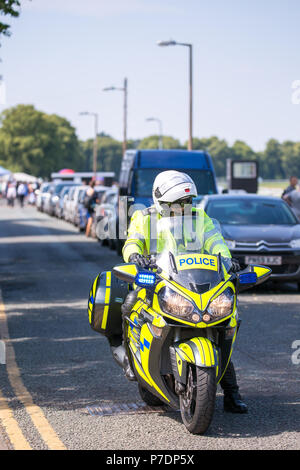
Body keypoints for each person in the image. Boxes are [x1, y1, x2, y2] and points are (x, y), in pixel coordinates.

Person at [113, 170, 247, 413]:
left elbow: (214, 240)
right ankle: (131, 362)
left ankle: (232, 393)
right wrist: (134, 255)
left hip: (194, 282)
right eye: (178, 203)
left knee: (221, 326)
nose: (184, 207)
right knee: (129, 303)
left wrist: (227, 260)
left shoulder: (199, 216)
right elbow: (133, 240)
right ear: (161, 201)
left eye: (187, 202)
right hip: (158, 281)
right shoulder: (144, 218)